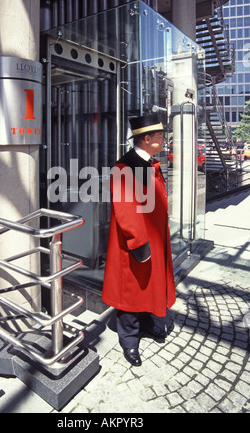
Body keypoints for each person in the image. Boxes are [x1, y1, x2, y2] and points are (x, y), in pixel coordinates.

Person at [102, 112, 176, 367]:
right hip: (136, 243)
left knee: (147, 286)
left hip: (153, 239)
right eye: (159, 135)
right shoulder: (125, 167)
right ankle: (129, 341)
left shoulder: (147, 163)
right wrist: (138, 242)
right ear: (146, 139)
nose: (164, 139)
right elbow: (126, 211)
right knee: (132, 291)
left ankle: (145, 324)